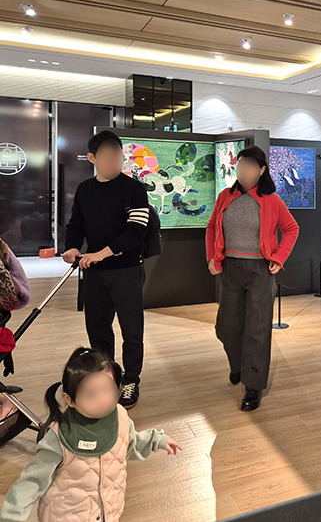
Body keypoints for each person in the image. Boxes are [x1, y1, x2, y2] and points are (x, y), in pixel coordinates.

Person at [0, 347, 181, 522]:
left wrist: (157, 440)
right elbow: (32, 481)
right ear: (70, 399)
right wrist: (11, 516)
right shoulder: (60, 435)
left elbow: (130, 442)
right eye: (91, 394)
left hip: (109, 511)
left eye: (107, 390)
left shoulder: (119, 415)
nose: (103, 400)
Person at [206, 145, 299, 411]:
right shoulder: (225, 197)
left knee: (257, 329)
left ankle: (253, 385)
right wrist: (212, 257)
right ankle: (238, 365)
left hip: (260, 271)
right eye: (240, 166)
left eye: (249, 166)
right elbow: (212, 227)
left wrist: (279, 257)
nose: (243, 171)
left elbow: (291, 229)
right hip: (231, 269)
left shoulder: (272, 201)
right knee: (227, 326)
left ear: (261, 170)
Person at [62, 130, 149, 408]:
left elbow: (136, 230)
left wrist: (102, 253)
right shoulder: (85, 189)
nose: (114, 161)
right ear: (92, 158)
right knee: (98, 329)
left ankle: (131, 379)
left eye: (118, 156)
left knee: (132, 330)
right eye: (108, 156)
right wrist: (72, 247)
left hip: (127, 270)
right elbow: (76, 225)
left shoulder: (134, 189)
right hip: (95, 273)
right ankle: (107, 376)